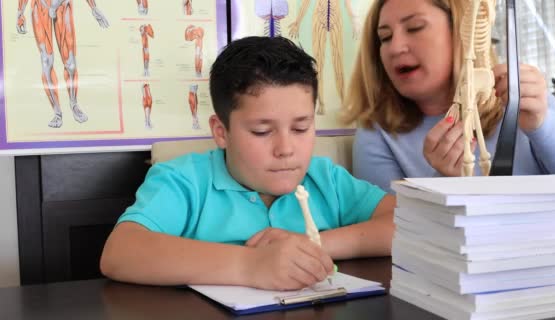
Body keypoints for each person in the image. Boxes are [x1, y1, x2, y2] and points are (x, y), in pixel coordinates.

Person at [100, 36, 395, 290]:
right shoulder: (184, 180)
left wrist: (312, 247)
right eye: (262, 131)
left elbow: (407, 224)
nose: (286, 149)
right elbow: (119, 253)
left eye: (301, 128)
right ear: (221, 132)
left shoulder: (325, 179)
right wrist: (252, 265)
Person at [342, 0, 555, 192]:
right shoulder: (377, 133)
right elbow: (390, 229)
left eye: (414, 28)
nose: (395, 47)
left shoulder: (519, 100)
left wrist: (543, 124)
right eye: (384, 37)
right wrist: (443, 180)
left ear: (462, 32)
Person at [16, 0, 109, 128]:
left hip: (62, 4)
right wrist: (20, 12)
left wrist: (93, 7)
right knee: (46, 62)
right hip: (40, 6)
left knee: (70, 63)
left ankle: (74, 104)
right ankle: (57, 112)